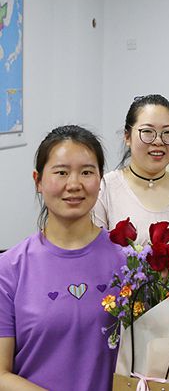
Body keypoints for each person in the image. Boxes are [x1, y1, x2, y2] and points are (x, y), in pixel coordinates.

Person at [0, 125, 126, 391]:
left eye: (87, 172)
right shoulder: (9, 269)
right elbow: (1, 373)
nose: (74, 184)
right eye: (61, 172)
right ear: (38, 181)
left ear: (100, 180)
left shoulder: (127, 262)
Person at [93, 94, 169, 244]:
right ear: (127, 136)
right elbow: (94, 252)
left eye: (167, 132)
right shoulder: (104, 189)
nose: (158, 141)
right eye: (148, 131)